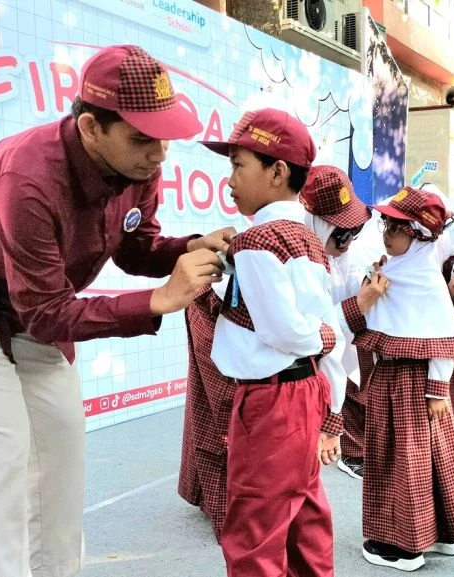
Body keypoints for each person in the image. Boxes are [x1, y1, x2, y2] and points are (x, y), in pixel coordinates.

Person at [0, 45, 230, 577]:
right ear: (91, 127)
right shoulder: (26, 179)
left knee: (62, 450)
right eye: (143, 137)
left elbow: (135, 246)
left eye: (164, 135)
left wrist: (190, 246)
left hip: (31, 304)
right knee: (1, 460)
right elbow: (50, 315)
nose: (160, 153)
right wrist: (157, 301)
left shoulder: (140, 166)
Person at [201, 108, 347, 576]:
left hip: (270, 401)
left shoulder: (257, 240)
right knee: (305, 515)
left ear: (277, 171)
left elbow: (285, 330)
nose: (230, 181)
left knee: (254, 528)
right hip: (304, 392)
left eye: (238, 166)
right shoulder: (305, 239)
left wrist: (320, 338)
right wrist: (333, 401)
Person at [339, 186, 454, 571]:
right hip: (393, 377)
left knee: (402, 461)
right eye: (385, 224)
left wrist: (437, 389)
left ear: (417, 234)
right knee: (424, 457)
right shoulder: (394, 269)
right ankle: (445, 532)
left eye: (395, 227)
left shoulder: (425, 279)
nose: (385, 232)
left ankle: (404, 545)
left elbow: (443, 340)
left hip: (414, 383)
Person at [298, 165, 378, 481]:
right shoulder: (304, 255)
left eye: (355, 231)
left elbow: (345, 283)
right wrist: (359, 305)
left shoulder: (334, 252)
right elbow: (322, 333)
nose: (348, 241)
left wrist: (365, 289)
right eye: (342, 232)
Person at [178, 280, 233, 540]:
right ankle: (232, 514)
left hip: (222, 299)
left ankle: (204, 495)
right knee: (224, 409)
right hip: (216, 298)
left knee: (207, 405)